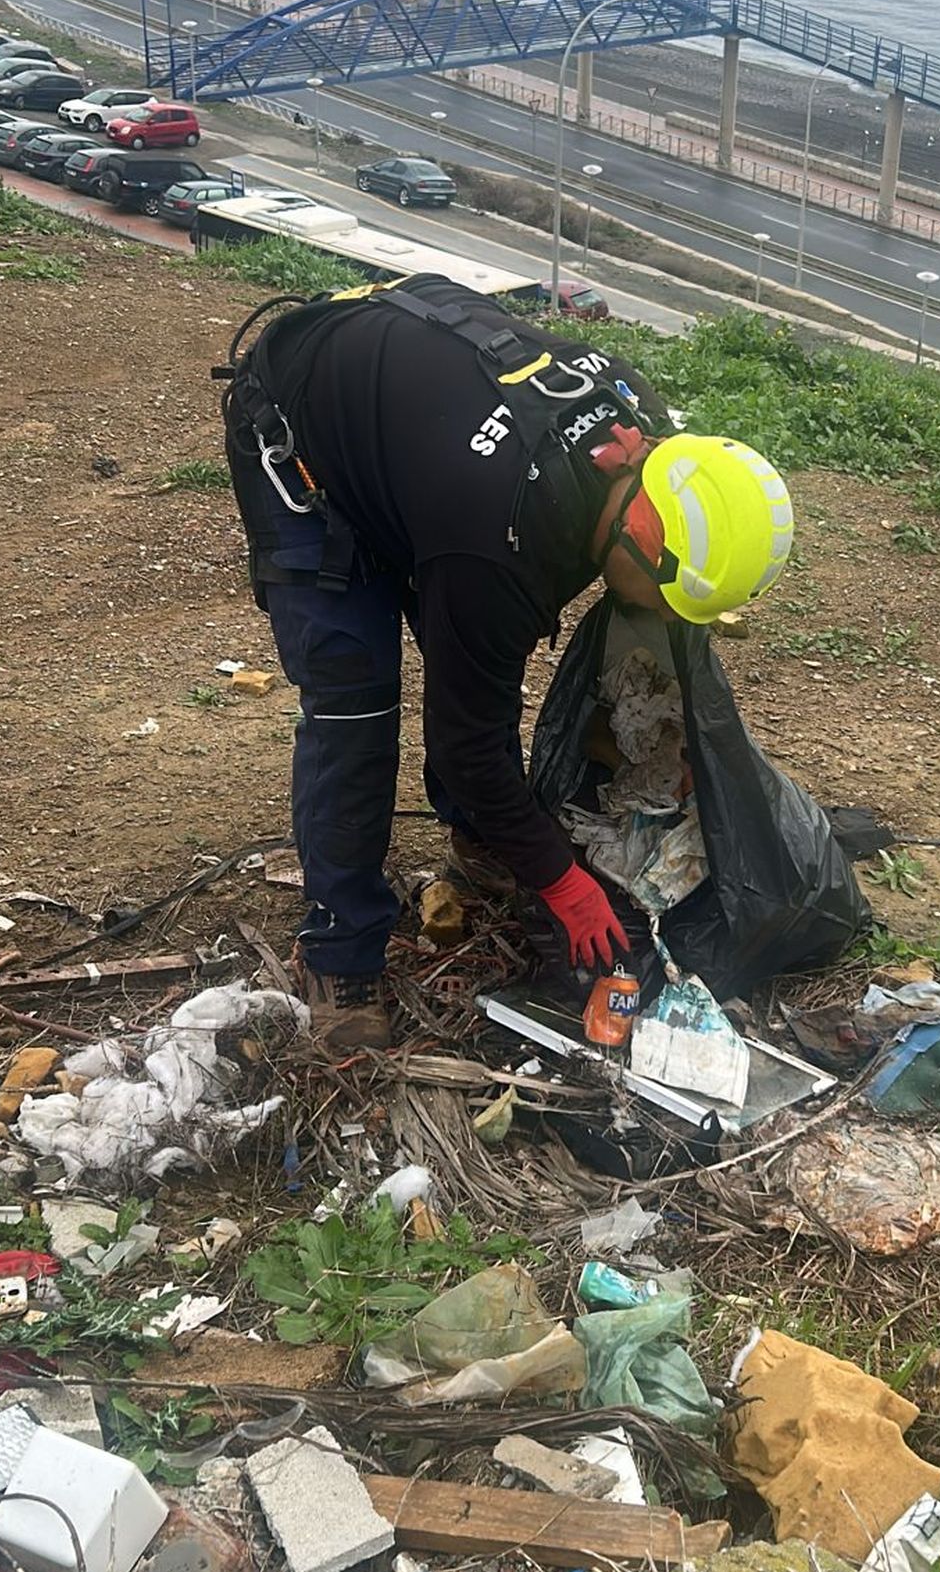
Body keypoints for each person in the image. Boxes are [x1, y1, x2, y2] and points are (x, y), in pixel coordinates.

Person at [222, 273, 794, 1051]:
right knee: (355, 703)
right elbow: (468, 738)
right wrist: (562, 881)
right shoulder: (500, 540)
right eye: (667, 600)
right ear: (643, 540)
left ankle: (479, 834)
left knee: (464, 654)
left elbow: (475, 693)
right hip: (304, 430)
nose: (660, 619)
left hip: (420, 438)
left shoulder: (649, 439)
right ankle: (340, 948)